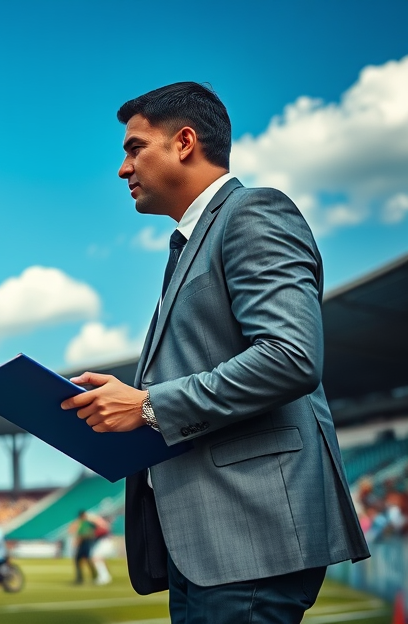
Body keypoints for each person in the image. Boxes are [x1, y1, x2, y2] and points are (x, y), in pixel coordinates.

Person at [60, 82, 370, 621]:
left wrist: (148, 405)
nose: (122, 169)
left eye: (135, 148)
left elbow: (290, 355)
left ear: (184, 142)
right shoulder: (188, 243)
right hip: (209, 542)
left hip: (250, 536)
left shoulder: (253, 213)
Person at [70, 511, 98, 585]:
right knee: (87, 559)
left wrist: (77, 542)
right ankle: (94, 576)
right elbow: (93, 529)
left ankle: (80, 579)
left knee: (78, 560)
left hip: (84, 543)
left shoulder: (83, 523)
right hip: (88, 542)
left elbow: (82, 534)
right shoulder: (88, 523)